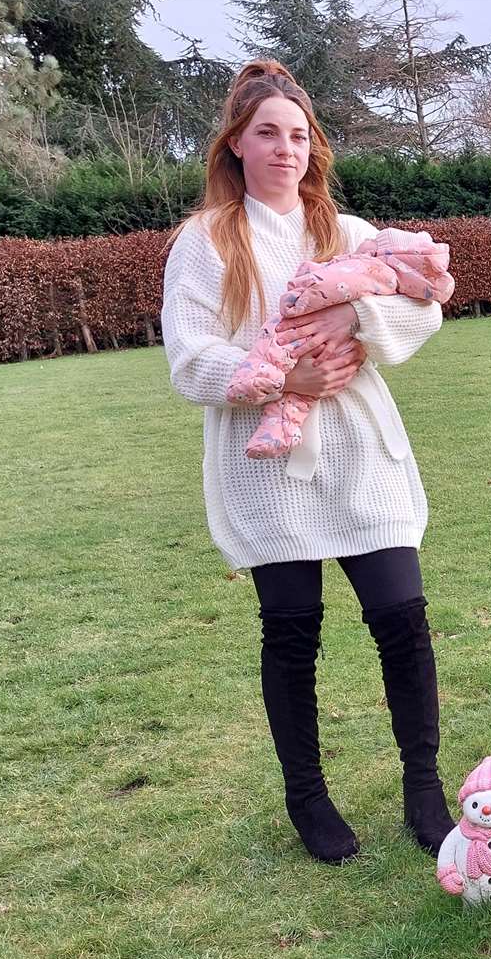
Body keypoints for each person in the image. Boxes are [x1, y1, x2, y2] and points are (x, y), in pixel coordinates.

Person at [161, 60, 454, 864]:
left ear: (312, 146)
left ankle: (423, 789)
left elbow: (420, 307)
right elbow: (188, 359)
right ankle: (308, 798)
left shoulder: (347, 233)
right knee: (292, 632)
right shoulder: (205, 241)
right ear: (236, 144)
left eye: (298, 134)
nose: (285, 148)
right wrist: (278, 380)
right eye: (268, 133)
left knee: (403, 618)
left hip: (361, 452)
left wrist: (357, 320)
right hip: (268, 460)